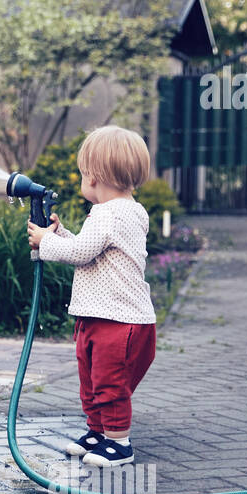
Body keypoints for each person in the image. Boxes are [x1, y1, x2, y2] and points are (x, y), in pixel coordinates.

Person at [26, 126, 157, 467]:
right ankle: (98, 432)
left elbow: (83, 252)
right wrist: (61, 234)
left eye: (84, 174)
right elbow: (94, 249)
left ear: (95, 177)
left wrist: (45, 240)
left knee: (108, 383)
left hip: (118, 320)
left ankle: (118, 443)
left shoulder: (108, 214)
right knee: (93, 379)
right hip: (104, 316)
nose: (83, 180)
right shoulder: (128, 211)